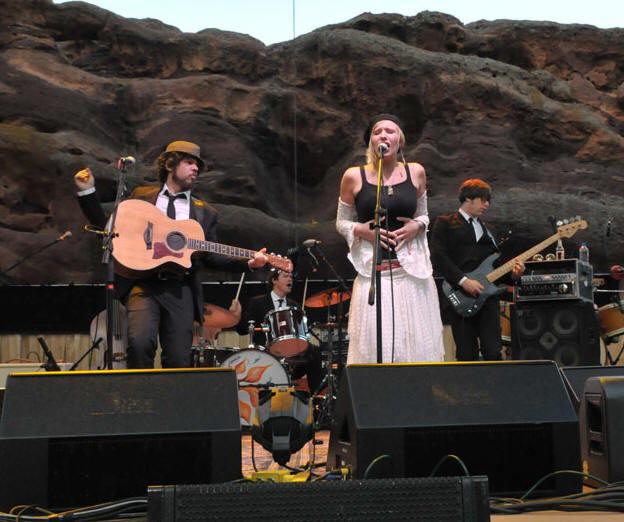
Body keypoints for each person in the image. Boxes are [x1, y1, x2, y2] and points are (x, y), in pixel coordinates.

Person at [74, 140, 268, 368]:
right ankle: (140, 401)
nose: (195, 168)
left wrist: (250, 264)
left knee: (178, 356)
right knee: (139, 343)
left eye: (197, 165)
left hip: (181, 289)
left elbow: (211, 255)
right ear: (169, 165)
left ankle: (170, 402)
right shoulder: (142, 195)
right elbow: (109, 230)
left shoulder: (205, 212)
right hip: (143, 284)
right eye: (189, 162)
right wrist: (87, 193)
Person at [335, 114, 444, 364]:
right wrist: (363, 232)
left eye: (390, 131)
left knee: (417, 348)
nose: (383, 135)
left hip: (412, 274)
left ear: (400, 141)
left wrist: (416, 225)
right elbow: (341, 222)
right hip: (375, 274)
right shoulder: (354, 176)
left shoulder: (415, 172)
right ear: (371, 141)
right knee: (375, 349)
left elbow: (424, 214)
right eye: (377, 131)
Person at [430, 179, 524, 361]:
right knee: (466, 354)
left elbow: (495, 266)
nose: (487, 204)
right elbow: (438, 256)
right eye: (483, 200)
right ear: (468, 198)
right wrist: (464, 281)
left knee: (493, 351)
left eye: (488, 200)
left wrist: (513, 275)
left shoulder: (490, 230)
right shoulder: (445, 223)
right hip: (460, 296)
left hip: (488, 298)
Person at [237, 269, 323, 394]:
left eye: (291, 277)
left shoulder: (295, 306)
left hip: (293, 353)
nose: (290, 279)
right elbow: (242, 330)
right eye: (286, 276)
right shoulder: (258, 302)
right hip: (266, 351)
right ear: (274, 280)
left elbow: (302, 334)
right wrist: (237, 316)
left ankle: (317, 399)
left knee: (315, 351)